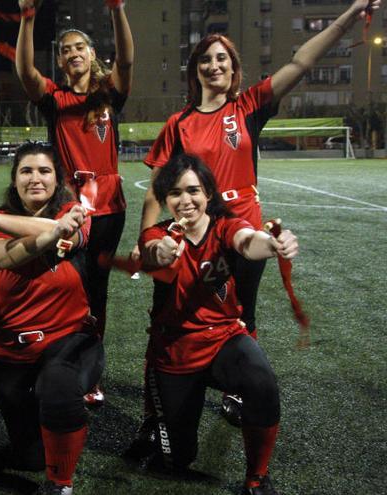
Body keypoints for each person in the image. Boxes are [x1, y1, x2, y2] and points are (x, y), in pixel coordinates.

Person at [139, 0, 379, 423]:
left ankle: (237, 390)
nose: (214, 66)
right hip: (195, 233)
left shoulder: (248, 105)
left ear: (233, 68)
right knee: (172, 312)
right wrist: (146, 243)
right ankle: (161, 401)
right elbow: (156, 191)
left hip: (244, 230)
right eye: (205, 60)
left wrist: (349, 15)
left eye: (222, 59)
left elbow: (302, 62)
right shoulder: (179, 123)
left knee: (240, 311)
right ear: (195, 71)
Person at [137, 153, 297, 495]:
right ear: (166, 200)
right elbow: (151, 252)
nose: (185, 200)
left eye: (193, 190)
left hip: (223, 338)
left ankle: (257, 478)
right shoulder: (158, 234)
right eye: (175, 193)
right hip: (176, 350)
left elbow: (247, 241)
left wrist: (272, 245)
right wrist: (161, 253)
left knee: (261, 382)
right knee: (177, 458)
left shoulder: (225, 226)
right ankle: (158, 424)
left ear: (208, 193)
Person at [0, 141, 102, 495]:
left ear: (57, 179)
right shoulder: (2, 218)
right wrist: (50, 232)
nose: (36, 178)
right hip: (13, 351)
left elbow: (69, 234)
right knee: (31, 457)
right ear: (15, 179)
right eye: (26, 171)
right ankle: (50, 433)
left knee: (58, 389)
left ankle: (60, 484)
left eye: (44, 171)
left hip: (70, 340)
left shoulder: (73, 210)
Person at [15, 0, 133, 407]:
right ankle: (56, 361)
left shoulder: (109, 94)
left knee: (96, 291)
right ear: (61, 61)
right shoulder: (54, 98)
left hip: (109, 209)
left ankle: (89, 371)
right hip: (67, 209)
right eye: (65, 50)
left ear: (91, 53)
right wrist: (27, 17)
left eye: (79, 46)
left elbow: (127, 59)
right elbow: (25, 72)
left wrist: (117, 9)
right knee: (64, 286)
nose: (72, 53)